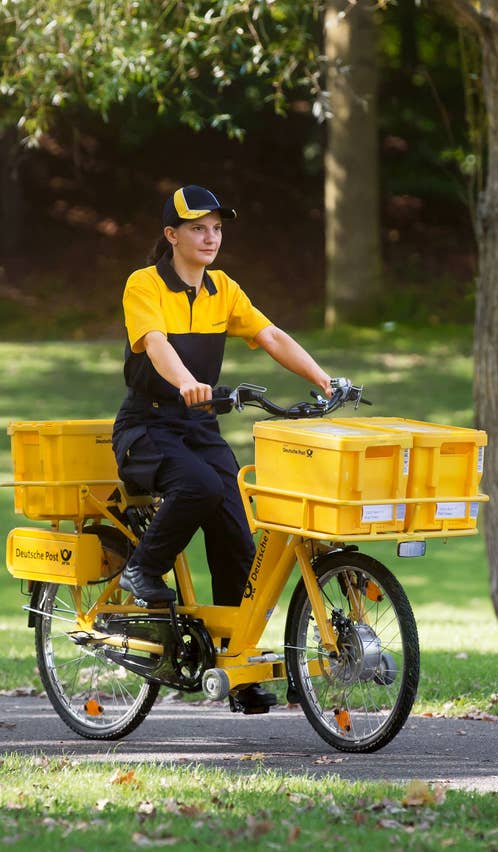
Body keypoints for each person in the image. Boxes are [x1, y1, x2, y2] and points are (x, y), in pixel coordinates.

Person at [111, 184, 333, 712]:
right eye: (197, 228)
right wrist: (188, 382)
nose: (210, 238)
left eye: (216, 229)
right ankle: (141, 569)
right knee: (201, 484)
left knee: (238, 535)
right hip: (147, 426)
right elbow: (156, 345)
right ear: (171, 236)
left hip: (199, 428)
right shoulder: (143, 284)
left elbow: (271, 335)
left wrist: (326, 380)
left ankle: (237, 666)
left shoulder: (223, 289)